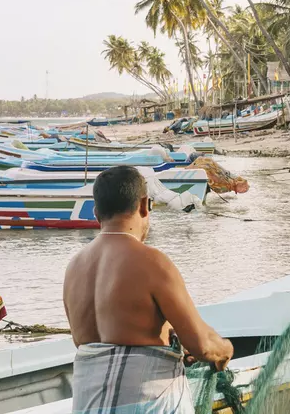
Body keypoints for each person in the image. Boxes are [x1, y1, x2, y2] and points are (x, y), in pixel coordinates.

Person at [64, 166, 233, 413]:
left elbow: (84, 341)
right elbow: (202, 345)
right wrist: (225, 350)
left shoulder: (74, 267)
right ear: (144, 205)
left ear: (96, 213)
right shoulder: (153, 262)